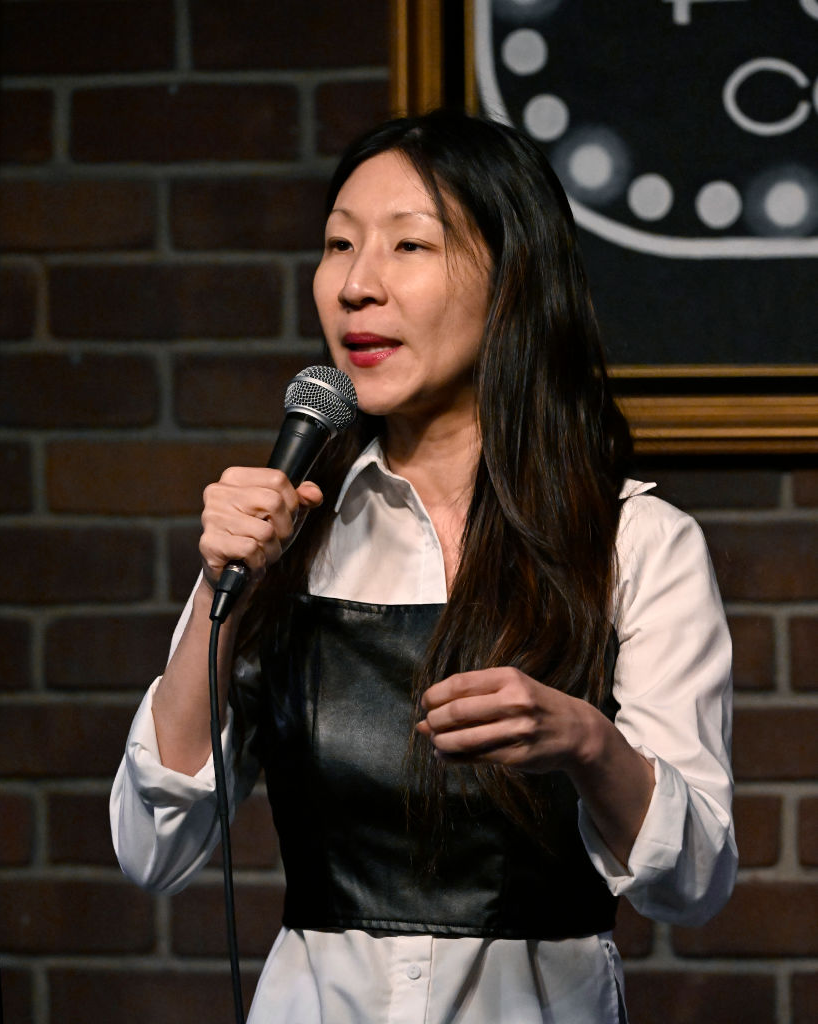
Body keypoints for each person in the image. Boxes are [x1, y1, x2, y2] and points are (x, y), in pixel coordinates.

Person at [110, 109, 736, 1023]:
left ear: (513, 278)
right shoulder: (285, 532)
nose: (356, 286)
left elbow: (695, 883)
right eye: (337, 246)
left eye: (409, 245)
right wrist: (222, 588)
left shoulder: (637, 544)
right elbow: (150, 849)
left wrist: (587, 744)